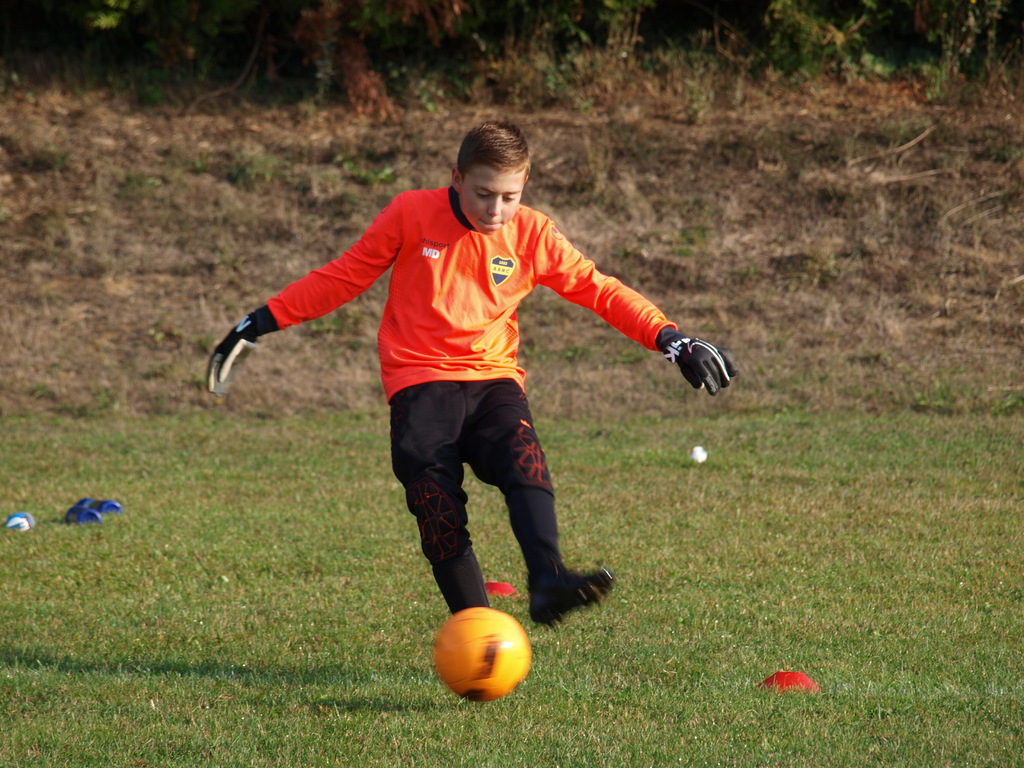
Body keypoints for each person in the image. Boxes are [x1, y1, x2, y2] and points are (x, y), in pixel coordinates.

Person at [208, 120, 737, 627]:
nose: (496, 210)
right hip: (418, 384)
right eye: (484, 194)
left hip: (492, 381)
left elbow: (598, 289)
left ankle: (548, 579)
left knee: (523, 460)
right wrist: (260, 321)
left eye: (509, 196)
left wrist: (669, 338)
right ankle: (476, 626)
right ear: (457, 178)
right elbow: (343, 277)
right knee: (435, 504)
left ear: (524, 185)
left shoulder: (532, 233)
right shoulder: (410, 213)